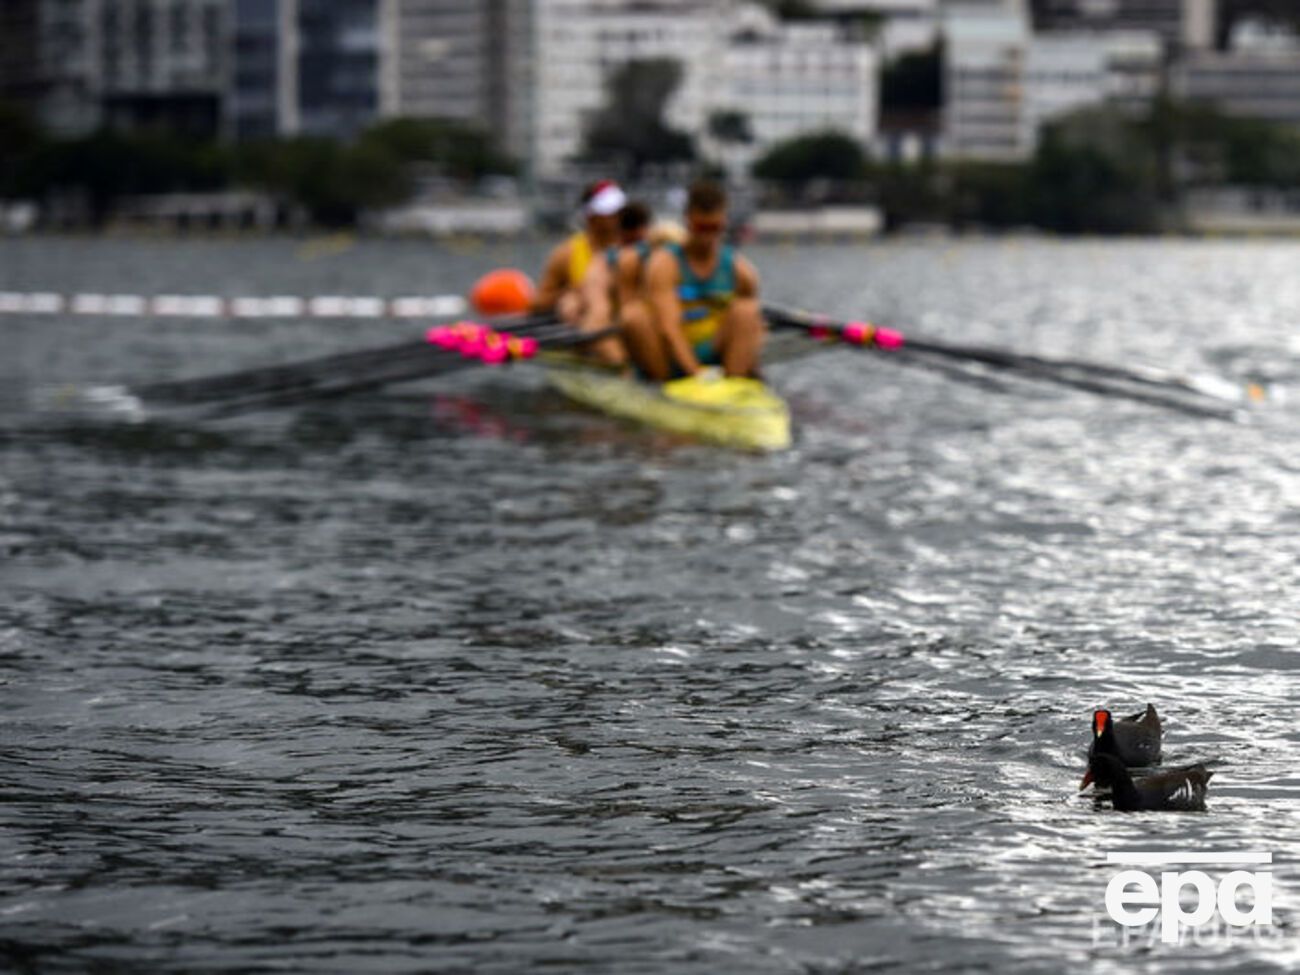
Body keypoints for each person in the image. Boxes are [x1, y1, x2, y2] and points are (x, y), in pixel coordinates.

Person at [624, 180, 764, 381]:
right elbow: (669, 328)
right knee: (634, 316)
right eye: (701, 227)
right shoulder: (664, 264)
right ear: (688, 221)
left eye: (714, 228)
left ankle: (737, 383)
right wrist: (696, 375)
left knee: (747, 311)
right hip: (670, 355)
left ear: (724, 223)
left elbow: (754, 329)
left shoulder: (741, 270)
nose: (707, 236)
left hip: (714, 348)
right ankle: (661, 383)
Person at [533, 180, 627, 364]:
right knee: (570, 303)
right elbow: (537, 304)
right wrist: (575, 290)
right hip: (588, 328)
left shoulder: (632, 245)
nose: (619, 216)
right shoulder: (566, 254)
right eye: (610, 211)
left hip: (622, 322)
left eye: (620, 210)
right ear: (590, 215)